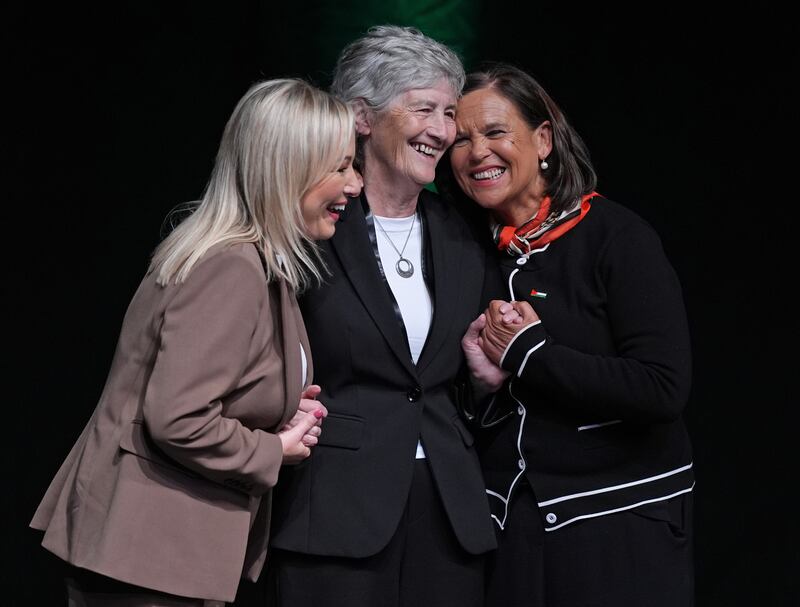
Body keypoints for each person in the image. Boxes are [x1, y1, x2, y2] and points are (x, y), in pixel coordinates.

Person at [30, 78, 362, 606]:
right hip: (145, 553)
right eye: (340, 166)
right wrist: (273, 448)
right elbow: (178, 418)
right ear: (289, 168)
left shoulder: (257, 264)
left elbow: (206, 390)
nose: (355, 184)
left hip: (161, 553)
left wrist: (282, 409)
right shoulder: (231, 267)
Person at [441, 62, 695, 606]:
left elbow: (662, 388)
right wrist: (483, 387)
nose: (476, 152)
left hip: (618, 525)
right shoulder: (468, 250)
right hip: (513, 530)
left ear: (543, 139)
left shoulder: (618, 238)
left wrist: (531, 354)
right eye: (460, 139)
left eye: (494, 132)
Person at [266, 25, 497, 607]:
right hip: (337, 513)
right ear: (362, 118)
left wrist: (480, 379)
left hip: (449, 515)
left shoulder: (464, 233)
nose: (443, 131)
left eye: (449, 112)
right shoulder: (310, 229)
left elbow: (442, 379)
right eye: (424, 109)